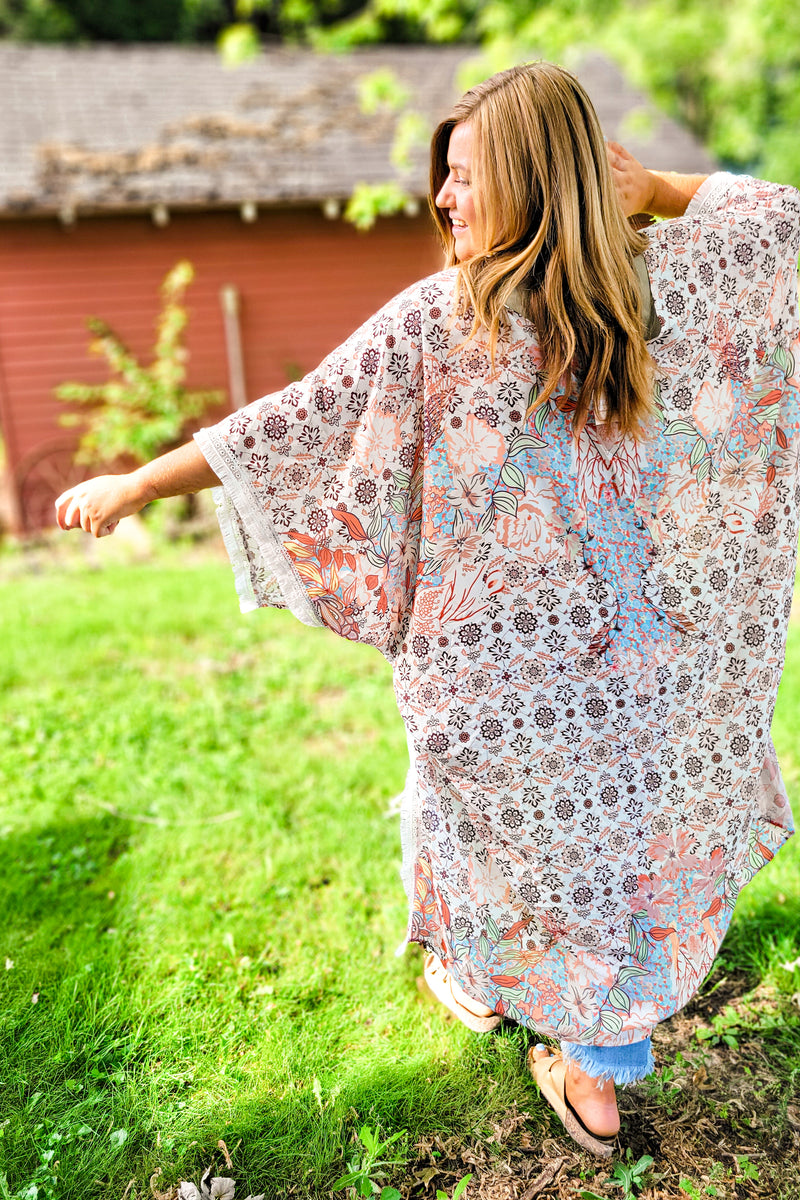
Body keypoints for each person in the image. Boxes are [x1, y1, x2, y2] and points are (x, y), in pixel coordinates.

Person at [56, 63, 800, 1159]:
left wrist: (137, 484)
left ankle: (541, 1027)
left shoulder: (439, 323)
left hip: (504, 691)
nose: (442, 200)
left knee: (494, 828)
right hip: (650, 676)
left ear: (533, 181)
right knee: (619, 852)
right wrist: (660, 191)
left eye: (464, 177)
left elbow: (282, 429)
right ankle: (588, 1052)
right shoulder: (673, 290)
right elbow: (781, 217)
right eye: (440, 179)